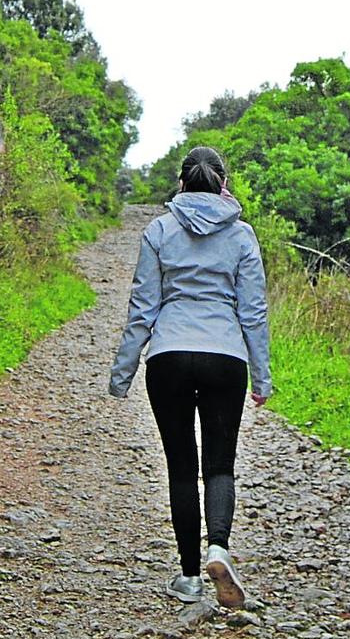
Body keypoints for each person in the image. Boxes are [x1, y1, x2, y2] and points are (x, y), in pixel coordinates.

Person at [108, 146, 272, 609]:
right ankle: (219, 547)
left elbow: (143, 309)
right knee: (220, 464)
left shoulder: (159, 230)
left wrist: (123, 372)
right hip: (225, 358)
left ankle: (190, 578)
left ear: (181, 185)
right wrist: (261, 376)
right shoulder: (242, 236)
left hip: (170, 357)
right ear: (223, 184)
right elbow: (253, 313)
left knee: (182, 467)